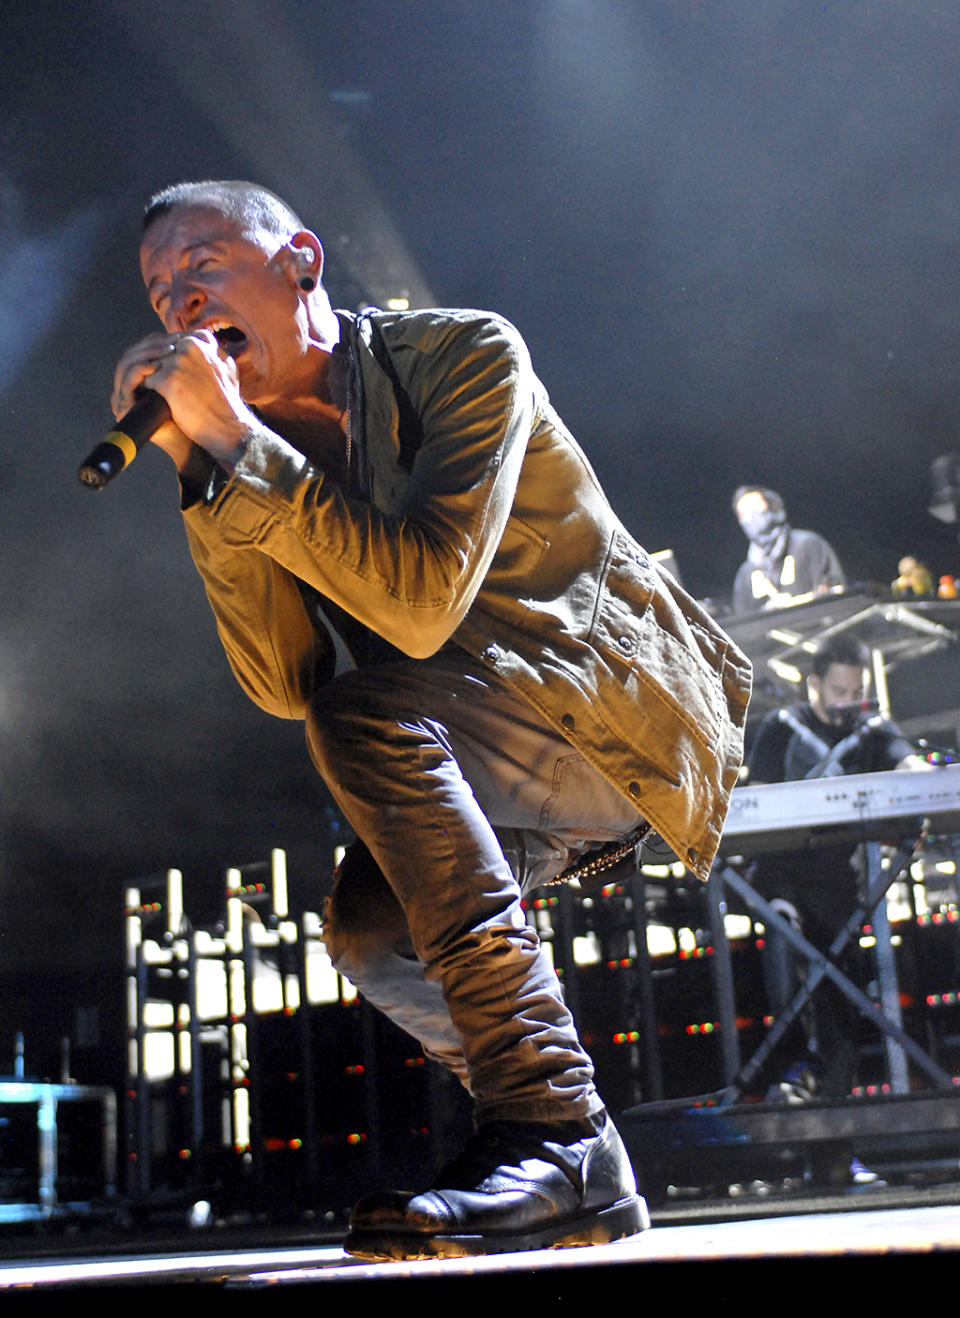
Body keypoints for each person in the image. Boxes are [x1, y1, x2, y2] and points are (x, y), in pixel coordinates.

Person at [113, 180, 751, 1259]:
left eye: (202, 265)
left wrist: (241, 445)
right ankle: (576, 1148)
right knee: (371, 930)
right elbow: (281, 680)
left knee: (366, 716)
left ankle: (543, 1127)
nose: (177, 302)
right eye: (158, 288)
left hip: (615, 716)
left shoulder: (463, 356)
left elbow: (418, 601)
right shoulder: (247, 442)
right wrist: (204, 476)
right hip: (478, 739)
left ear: (300, 263)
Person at [746, 634, 930, 1117]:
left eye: (855, 692)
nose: (848, 703)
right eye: (839, 692)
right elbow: (757, 804)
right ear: (814, 685)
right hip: (782, 874)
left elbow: (908, 763)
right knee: (788, 949)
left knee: (841, 1001)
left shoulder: (870, 730)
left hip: (836, 887)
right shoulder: (781, 728)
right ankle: (789, 1081)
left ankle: (833, 1137)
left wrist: (921, 780)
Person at [731, 485, 845, 615]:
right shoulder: (745, 573)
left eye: (755, 507)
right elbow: (743, 625)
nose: (751, 516)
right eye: (743, 513)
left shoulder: (808, 545)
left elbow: (834, 596)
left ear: (775, 507)